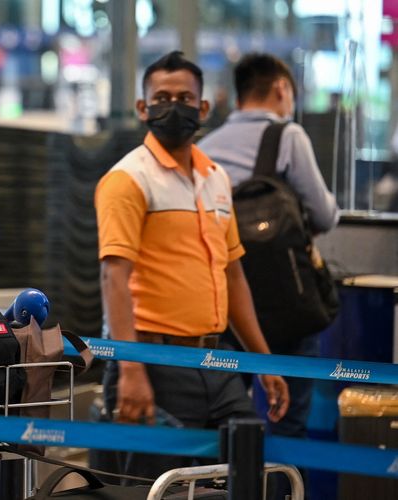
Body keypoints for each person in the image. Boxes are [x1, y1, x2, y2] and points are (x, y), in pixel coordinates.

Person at [95, 51, 290, 482]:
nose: (174, 106)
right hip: (152, 360)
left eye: (185, 97)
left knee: (252, 473)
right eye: (161, 97)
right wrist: (130, 369)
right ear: (142, 108)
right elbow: (115, 279)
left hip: (216, 360)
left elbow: (233, 275)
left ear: (204, 108)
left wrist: (264, 362)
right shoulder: (128, 180)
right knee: (156, 487)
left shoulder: (216, 178)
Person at [199, 52, 339, 498]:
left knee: (228, 420)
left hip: (224, 305)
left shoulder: (206, 147)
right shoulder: (287, 135)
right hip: (287, 303)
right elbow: (324, 213)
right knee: (289, 422)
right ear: (281, 89)